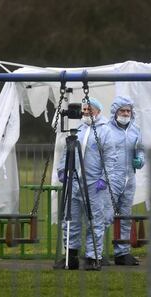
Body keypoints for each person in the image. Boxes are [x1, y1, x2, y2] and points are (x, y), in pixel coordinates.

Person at [55, 97, 116, 270]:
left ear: (98, 111)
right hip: (74, 181)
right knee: (71, 218)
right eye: (85, 109)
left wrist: (105, 178)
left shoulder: (105, 131)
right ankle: (71, 256)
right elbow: (67, 152)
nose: (87, 112)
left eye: (90, 109)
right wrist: (62, 170)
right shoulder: (78, 130)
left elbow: (110, 158)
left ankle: (92, 257)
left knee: (94, 220)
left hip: (93, 183)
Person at [105, 95, 145, 266]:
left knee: (125, 216)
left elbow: (141, 150)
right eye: (122, 110)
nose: (125, 113)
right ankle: (96, 252)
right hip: (111, 177)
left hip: (129, 178)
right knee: (105, 215)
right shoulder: (106, 130)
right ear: (115, 111)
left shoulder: (135, 130)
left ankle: (122, 253)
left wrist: (140, 160)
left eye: (128, 110)